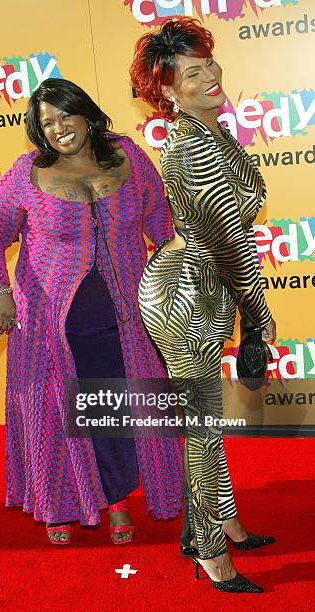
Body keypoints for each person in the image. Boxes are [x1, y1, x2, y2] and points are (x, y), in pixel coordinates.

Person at [0, 78, 183, 546]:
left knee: (117, 411)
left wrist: (180, 281)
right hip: (50, 323)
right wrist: (0, 292)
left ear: (86, 112)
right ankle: (57, 505)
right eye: (46, 123)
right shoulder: (27, 172)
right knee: (55, 412)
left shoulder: (128, 156)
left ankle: (118, 503)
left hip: (124, 319)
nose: (59, 128)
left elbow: (160, 224)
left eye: (65, 115)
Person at [130, 18, 276, 592]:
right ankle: (211, 553)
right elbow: (229, 246)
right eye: (193, 72)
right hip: (185, 293)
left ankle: (220, 524)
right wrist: (259, 323)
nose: (211, 75)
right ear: (167, 90)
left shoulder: (212, 132)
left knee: (204, 423)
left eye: (208, 63)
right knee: (204, 427)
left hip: (203, 284)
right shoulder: (193, 147)